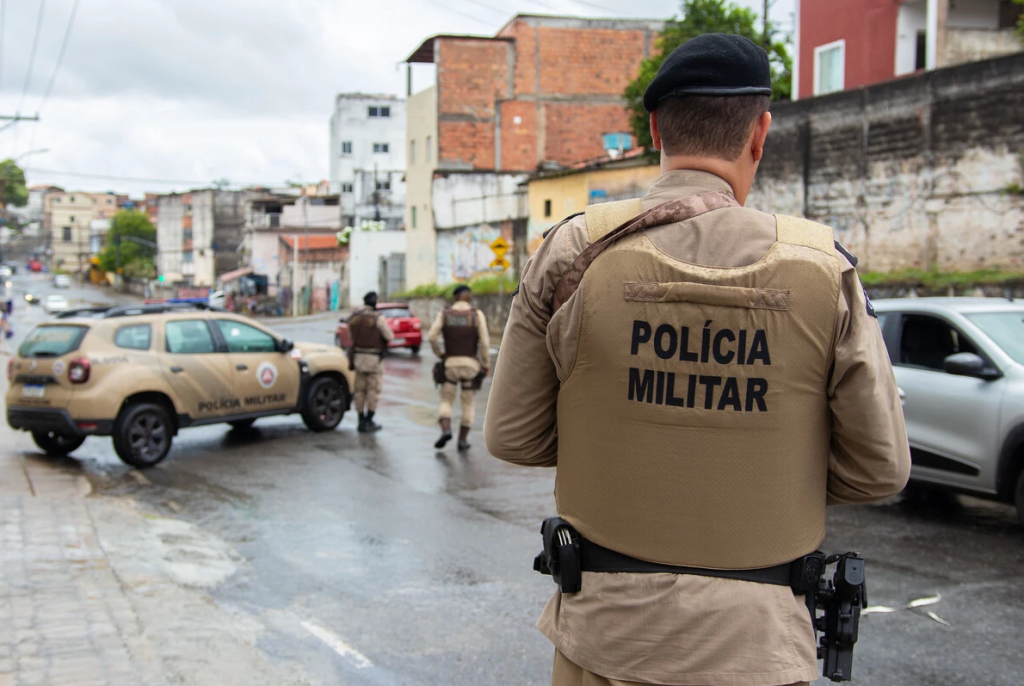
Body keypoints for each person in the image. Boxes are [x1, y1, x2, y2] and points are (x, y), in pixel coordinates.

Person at [484, 34, 911, 686]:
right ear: (760, 134)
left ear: (655, 126)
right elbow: (879, 470)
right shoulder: (825, 268)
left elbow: (513, 436)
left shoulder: (572, 251)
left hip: (606, 636)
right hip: (759, 645)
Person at [428, 285, 490, 451]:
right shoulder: (477, 315)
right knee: (468, 403)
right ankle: (462, 441)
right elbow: (484, 342)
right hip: (470, 365)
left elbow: (431, 336)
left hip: (450, 365)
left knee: (446, 399)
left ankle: (446, 430)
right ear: (469, 297)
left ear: (455, 297)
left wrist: (440, 354)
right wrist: (485, 364)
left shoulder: (445, 314)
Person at [347, 291, 393, 432]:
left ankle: (360, 420)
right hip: (374, 359)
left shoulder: (354, 317)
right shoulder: (377, 318)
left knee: (359, 391)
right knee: (373, 390)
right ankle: (369, 420)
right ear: (375, 302)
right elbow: (389, 335)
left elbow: (350, 336)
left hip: (358, 358)